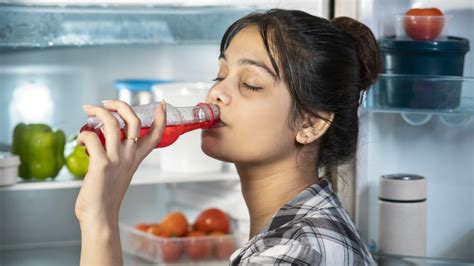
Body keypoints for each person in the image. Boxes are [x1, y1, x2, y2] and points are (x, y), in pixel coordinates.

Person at [76, 9, 380, 265]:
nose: (216, 93)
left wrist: (98, 219)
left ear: (311, 123)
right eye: (221, 76)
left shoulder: (289, 255)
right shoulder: (305, 228)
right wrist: (103, 208)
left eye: (250, 84)